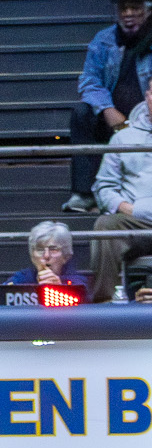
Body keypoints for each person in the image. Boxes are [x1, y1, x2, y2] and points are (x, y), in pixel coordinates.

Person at [66, 0, 152, 214]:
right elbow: (89, 81)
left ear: (148, 10)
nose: (128, 14)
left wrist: (140, 118)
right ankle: (84, 194)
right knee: (82, 113)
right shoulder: (104, 40)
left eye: (135, 8)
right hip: (113, 118)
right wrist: (107, 110)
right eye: (123, 8)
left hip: (147, 119)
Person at [90, 99, 152, 301]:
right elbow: (104, 186)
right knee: (106, 226)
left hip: (139, 212)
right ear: (147, 96)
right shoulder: (123, 138)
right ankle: (104, 305)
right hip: (136, 222)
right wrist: (124, 208)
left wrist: (139, 209)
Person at [8, 220, 88, 294]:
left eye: (53, 249)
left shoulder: (78, 283)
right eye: (40, 249)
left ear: (65, 256)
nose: (46, 255)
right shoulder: (21, 279)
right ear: (32, 256)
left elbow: (84, 301)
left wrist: (59, 288)